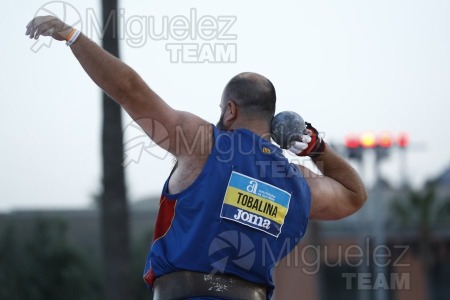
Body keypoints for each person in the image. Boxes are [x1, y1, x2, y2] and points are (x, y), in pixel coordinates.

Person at [25, 16, 367, 300]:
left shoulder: (204, 142)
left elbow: (130, 89)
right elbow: (354, 195)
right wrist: (316, 147)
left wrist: (71, 36)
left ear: (230, 110)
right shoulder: (298, 183)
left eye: (221, 109)